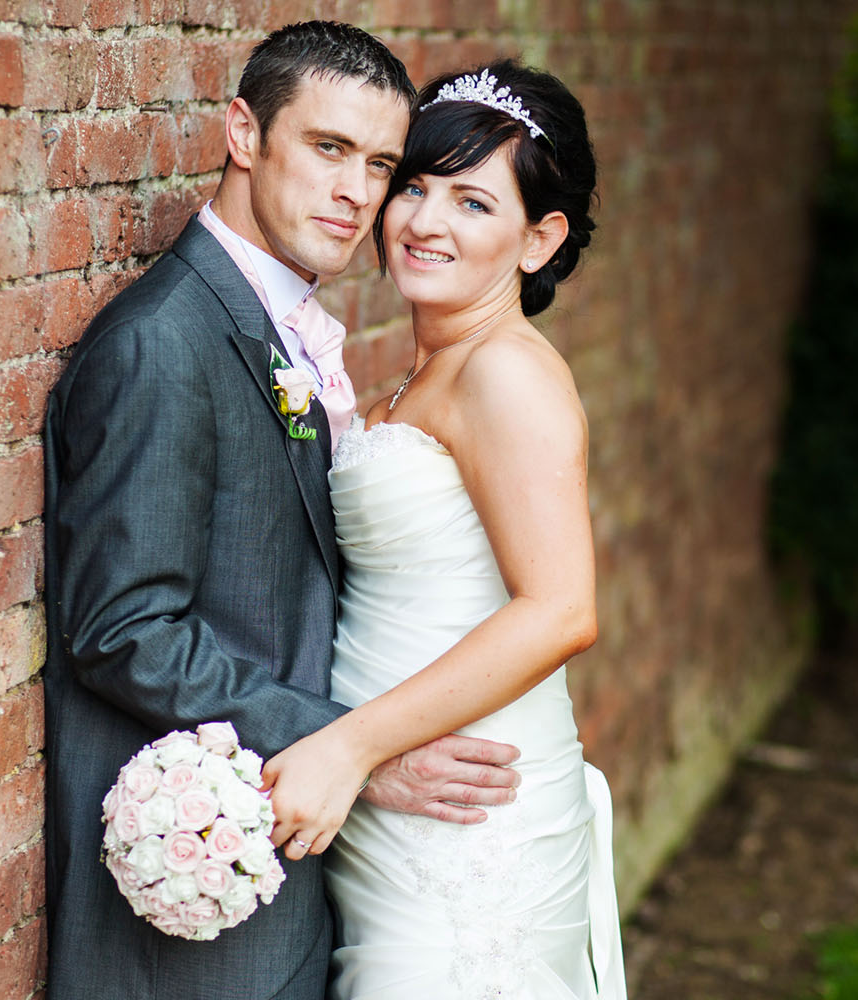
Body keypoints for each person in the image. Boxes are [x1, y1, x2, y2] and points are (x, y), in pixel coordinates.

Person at [41, 24, 521, 1000]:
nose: (357, 191)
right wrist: (353, 745)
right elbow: (125, 632)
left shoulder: (271, 326)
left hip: (281, 883)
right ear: (244, 133)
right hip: (189, 925)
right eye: (329, 148)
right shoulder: (161, 345)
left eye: (380, 163)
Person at [257, 60, 628, 998]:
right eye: (414, 187)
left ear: (538, 241)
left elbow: (559, 612)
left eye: (472, 203)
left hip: (469, 816)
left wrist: (348, 745)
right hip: (398, 795)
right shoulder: (428, 370)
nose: (423, 222)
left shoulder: (506, 372)